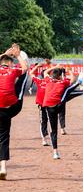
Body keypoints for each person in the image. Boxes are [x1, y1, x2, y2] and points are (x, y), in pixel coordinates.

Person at [0, 44, 28, 179]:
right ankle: (3, 167)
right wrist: (17, 55)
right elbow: (25, 68)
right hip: (10, 108)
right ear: (10, 64)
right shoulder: (13, 71)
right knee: (4, 138)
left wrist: (4, 54)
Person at [43, 65, 79, 160]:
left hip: (49, 106)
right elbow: (73, 79)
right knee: (67, 91)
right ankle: (63, 127)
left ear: (52, 75)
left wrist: (55, 66)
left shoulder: (48, 80)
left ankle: (55, 152)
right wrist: (69, 71)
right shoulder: (63, 82)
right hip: (59, 105)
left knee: (53, 130)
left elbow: (45, 72)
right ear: (60, 76)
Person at [30, 62, 50, 146]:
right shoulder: (39, 81)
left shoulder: (51, 81)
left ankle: (49, 138)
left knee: (48, 121)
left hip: (49, 105)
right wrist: (37, 66)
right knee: (43, 121)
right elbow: (31, 73)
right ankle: (44, 139)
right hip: (42, 105)